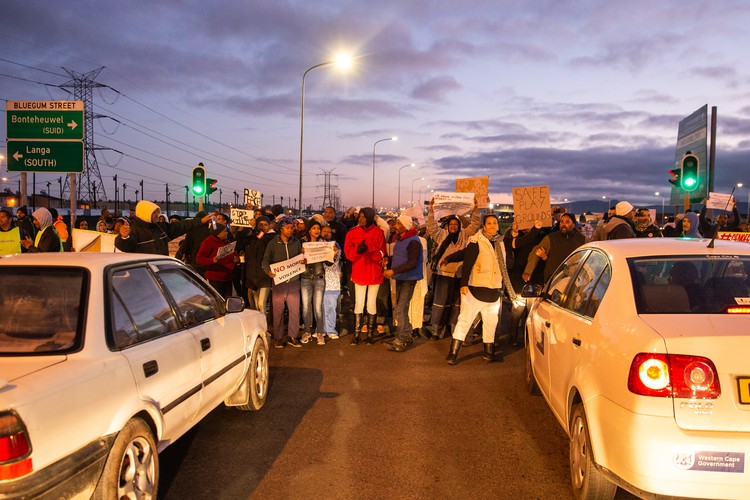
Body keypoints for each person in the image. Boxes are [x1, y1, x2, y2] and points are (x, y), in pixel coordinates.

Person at [446, 214, 514, 365]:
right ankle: (453, 353)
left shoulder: (501, 242)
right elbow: (468, 263)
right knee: (464, 321)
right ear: (484, 226)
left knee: (491, 323)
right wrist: (463, 284)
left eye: (494, 223)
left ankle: (488, 353)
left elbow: (521, 242)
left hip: (493, 291)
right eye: (489, 223)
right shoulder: (475, 241)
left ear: (498, 225)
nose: (492, 225)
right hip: (474, 290)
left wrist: (535, 228)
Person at [426, 196, 481, 340]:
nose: (453, 227)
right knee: (440, 303)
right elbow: (431, 227)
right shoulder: (442, 235)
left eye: (456, 225)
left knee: (457, 305)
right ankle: (436, 331)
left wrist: (475, 209)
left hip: (460, 275)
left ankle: (455, 330)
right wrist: (431, 210)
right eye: (451, 224)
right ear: (448, 226)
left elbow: (475, 225)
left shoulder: (465, 235)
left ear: (459, 226)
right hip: (444, 275)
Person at [344, 207, 386, 345]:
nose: (360, 219)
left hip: (373, 272)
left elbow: (382, 253)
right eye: (359, 216)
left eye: (363, 217)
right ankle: (356, 335)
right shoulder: (352, 233)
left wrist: (368, 250)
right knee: (359, 303)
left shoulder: (379, 233)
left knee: (371, 304)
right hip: (360, 271)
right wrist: (358, 251)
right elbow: (348, 254)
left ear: (369, 217)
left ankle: (370, 334)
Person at [383, 215, 424, 352]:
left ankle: (400, 339)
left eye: (399, 224)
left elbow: (412, 263)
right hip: (401, 277)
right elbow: (401, 257)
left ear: (406, 226)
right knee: (401, 308)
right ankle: (407, 334)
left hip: (408, 279)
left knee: (400, 309)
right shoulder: (402, 239)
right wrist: (389, 260)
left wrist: (393, 270)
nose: (395, 226)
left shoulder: (413, 242)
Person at [262, 216, 304, 348]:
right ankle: (278, 337)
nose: (290, 230)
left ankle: (292, 336)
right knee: (278, 311)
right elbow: (265, 261)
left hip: (293, 282)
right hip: (279, 282)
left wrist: (304, 261)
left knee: (294, 311)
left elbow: (300, 258)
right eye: (287, 227)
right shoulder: (273, 244)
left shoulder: (296, 243)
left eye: (292, 228)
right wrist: (268, 271)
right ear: (281, 229)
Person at [115, 200, 209, 255]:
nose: (157, 215)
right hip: (143, 276)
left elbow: (181, 226)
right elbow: (125, 247)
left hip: (160, 271)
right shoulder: (134, 230)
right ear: (146, 213)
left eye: (157, 212)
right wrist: (123, 237)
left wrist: (200, 221)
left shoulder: (160, 228)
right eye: (154, 213)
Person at [523, 213, 585, 284]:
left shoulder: (581, 240)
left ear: (573, 224)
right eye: (562, 222)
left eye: (567, 222)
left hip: (573, 283)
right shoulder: (550, 238)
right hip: (552, 281)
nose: (563, 224)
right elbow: (536, 252)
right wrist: (528, 271)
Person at [300, 219, 329, 345]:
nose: (316, 231)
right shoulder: (302, 242)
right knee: (306, 307)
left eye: (318, 228)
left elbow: (328, 262)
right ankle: (307, 332)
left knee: (318, 307)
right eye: (314, 228)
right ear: (309, 230)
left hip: (318, 278)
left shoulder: (323, 243)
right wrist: (301, 257)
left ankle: (320, 333)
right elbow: (296, 260)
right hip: (305, 278)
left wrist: (332, 254)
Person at [196, 223, 237, 299]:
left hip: (227, 277)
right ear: (218, 233)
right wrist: (212, 260)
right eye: (224, 231)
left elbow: (234, 255)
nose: (226, 233)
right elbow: (199, 259)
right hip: (215, 278)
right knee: (217, 300)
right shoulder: (208, 242)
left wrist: (236, 259)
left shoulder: (227, 242)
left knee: (227, 301)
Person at [245, 215, 275, 316]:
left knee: (262, 304)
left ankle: (264, 328)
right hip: (252, 275)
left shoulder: (271, 237)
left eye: (265, 224)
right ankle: (259, 326)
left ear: (269, 225)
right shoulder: (252, 237)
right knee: (256, 304)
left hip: (265, 275)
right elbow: (241, 241)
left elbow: (263, 238)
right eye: (260, 224)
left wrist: (255, 230)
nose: (263, 227)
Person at [321, 224, 342, 340]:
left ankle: (331, 329)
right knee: (321, 307)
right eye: (324, 231)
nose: (326, 233)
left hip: (333, 280)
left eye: (328, 232)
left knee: (331, 306)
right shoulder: (316, 245)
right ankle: (322, 329)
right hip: (320, 279)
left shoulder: (336, 245)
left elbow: (334, 261)